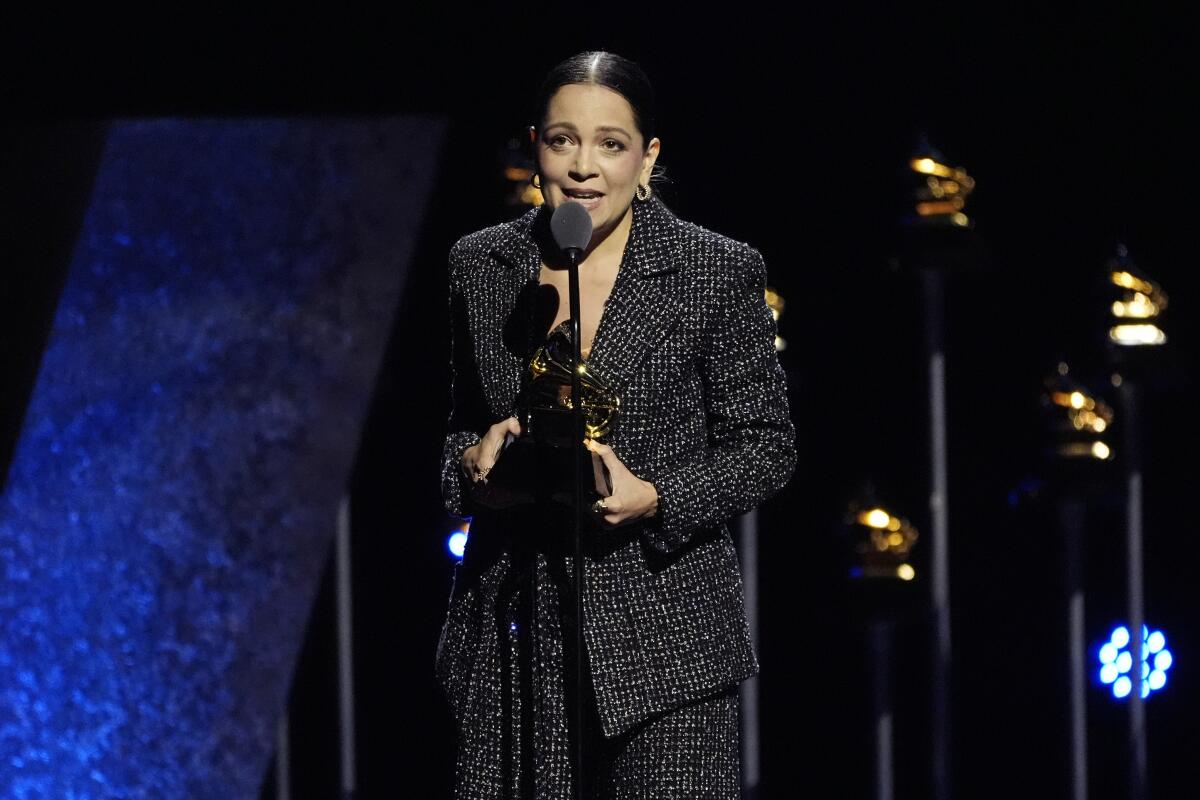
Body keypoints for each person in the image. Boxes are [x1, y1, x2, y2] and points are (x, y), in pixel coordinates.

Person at [436, 50, 795, 799]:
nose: (583, 167)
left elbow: (765, 446)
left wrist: (657, 495)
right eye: (563, 140)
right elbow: (456, 431)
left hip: (666, 646)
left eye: (611, 143)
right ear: (535, 146)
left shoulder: (715, 269)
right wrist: (475, 467)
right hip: (513, 639)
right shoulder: (480, 264)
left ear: (648, 156)